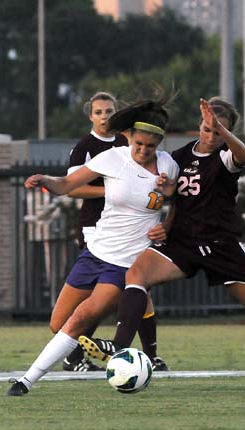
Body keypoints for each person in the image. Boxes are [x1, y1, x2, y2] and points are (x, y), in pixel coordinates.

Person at [78, 97, 245, 394]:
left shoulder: (226, 156)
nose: (211, 136)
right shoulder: (179, 158)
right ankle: (120, 347)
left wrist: (224, 133)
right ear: (200, 125)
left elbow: (244, 156)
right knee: (136, 275)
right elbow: (172, 200)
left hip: (220, 246)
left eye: (218, 131)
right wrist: (164, 221)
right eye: (207, 129)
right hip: (182, 243)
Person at [7, 96, 179, 396]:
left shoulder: (168, 167)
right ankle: (115, 350)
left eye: (150, 147)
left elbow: (178, 203)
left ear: (159, 145)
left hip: (126, 264)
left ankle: (25, 381)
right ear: (130, 137)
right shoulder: (113, 158)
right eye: (138, 144)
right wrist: (45, 180)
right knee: (59, 323)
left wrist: (167, 220)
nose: (142, 151)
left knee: (81, 317)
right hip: (95, 252)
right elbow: (67, 184)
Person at [56, 91, 168, 372]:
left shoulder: (127, 142)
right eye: (98, 112)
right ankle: (76, 352)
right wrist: (115, 188)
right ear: (90, 116)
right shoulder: (85, 147)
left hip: (129, 230)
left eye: (109, 111)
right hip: (96, 226)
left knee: (138, 288)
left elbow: (155, 182)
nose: (104, 116)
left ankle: (148, 354)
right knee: (97, 298)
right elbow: (73, 187)